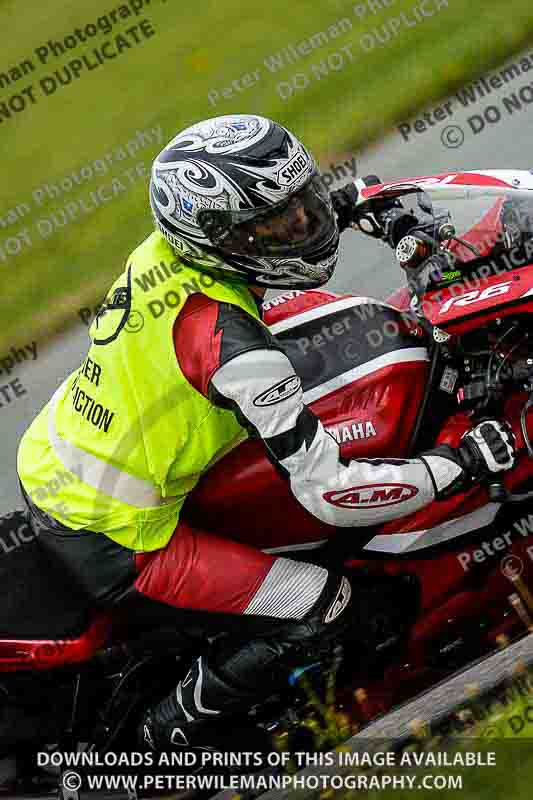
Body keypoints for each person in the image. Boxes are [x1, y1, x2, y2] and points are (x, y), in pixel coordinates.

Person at [16, 114, 515, 752]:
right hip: (111, 536)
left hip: (58, 455)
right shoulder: (236, 351)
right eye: (277, 223)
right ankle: (158, 739)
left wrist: (368, 204)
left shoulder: (171, 254)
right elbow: (331, 493)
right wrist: (458, 464)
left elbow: (290, 224)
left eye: (303, 203)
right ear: (220, 237)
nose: (301, 226)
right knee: (324, 603)